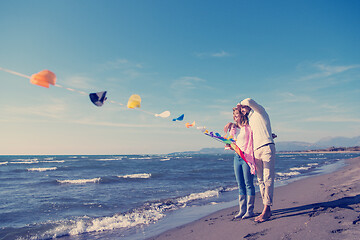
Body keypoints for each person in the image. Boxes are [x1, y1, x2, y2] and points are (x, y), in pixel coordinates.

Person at [237, 98, 276, 223]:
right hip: (256, 151)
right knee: (260, 180)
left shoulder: (260, 111)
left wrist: (240, 104)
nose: (242, 110)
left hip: (266, 148)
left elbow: (249, 100)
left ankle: (267, 208)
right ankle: (266, 208)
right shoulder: (251, 119)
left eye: (243, 107)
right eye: (241, 109)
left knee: (268, 178)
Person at [224, 108, 256, 219]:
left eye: (237, 114)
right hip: (237, 157)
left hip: (247, 157)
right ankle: (242, 210)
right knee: (240, 184)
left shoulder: (248, 127)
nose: (235, 116)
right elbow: (232, 143)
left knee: (248, 184)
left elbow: (256, 136)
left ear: (242, 115)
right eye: (234, 115)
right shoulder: (233, 128)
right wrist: (229, 144)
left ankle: (250, 210)